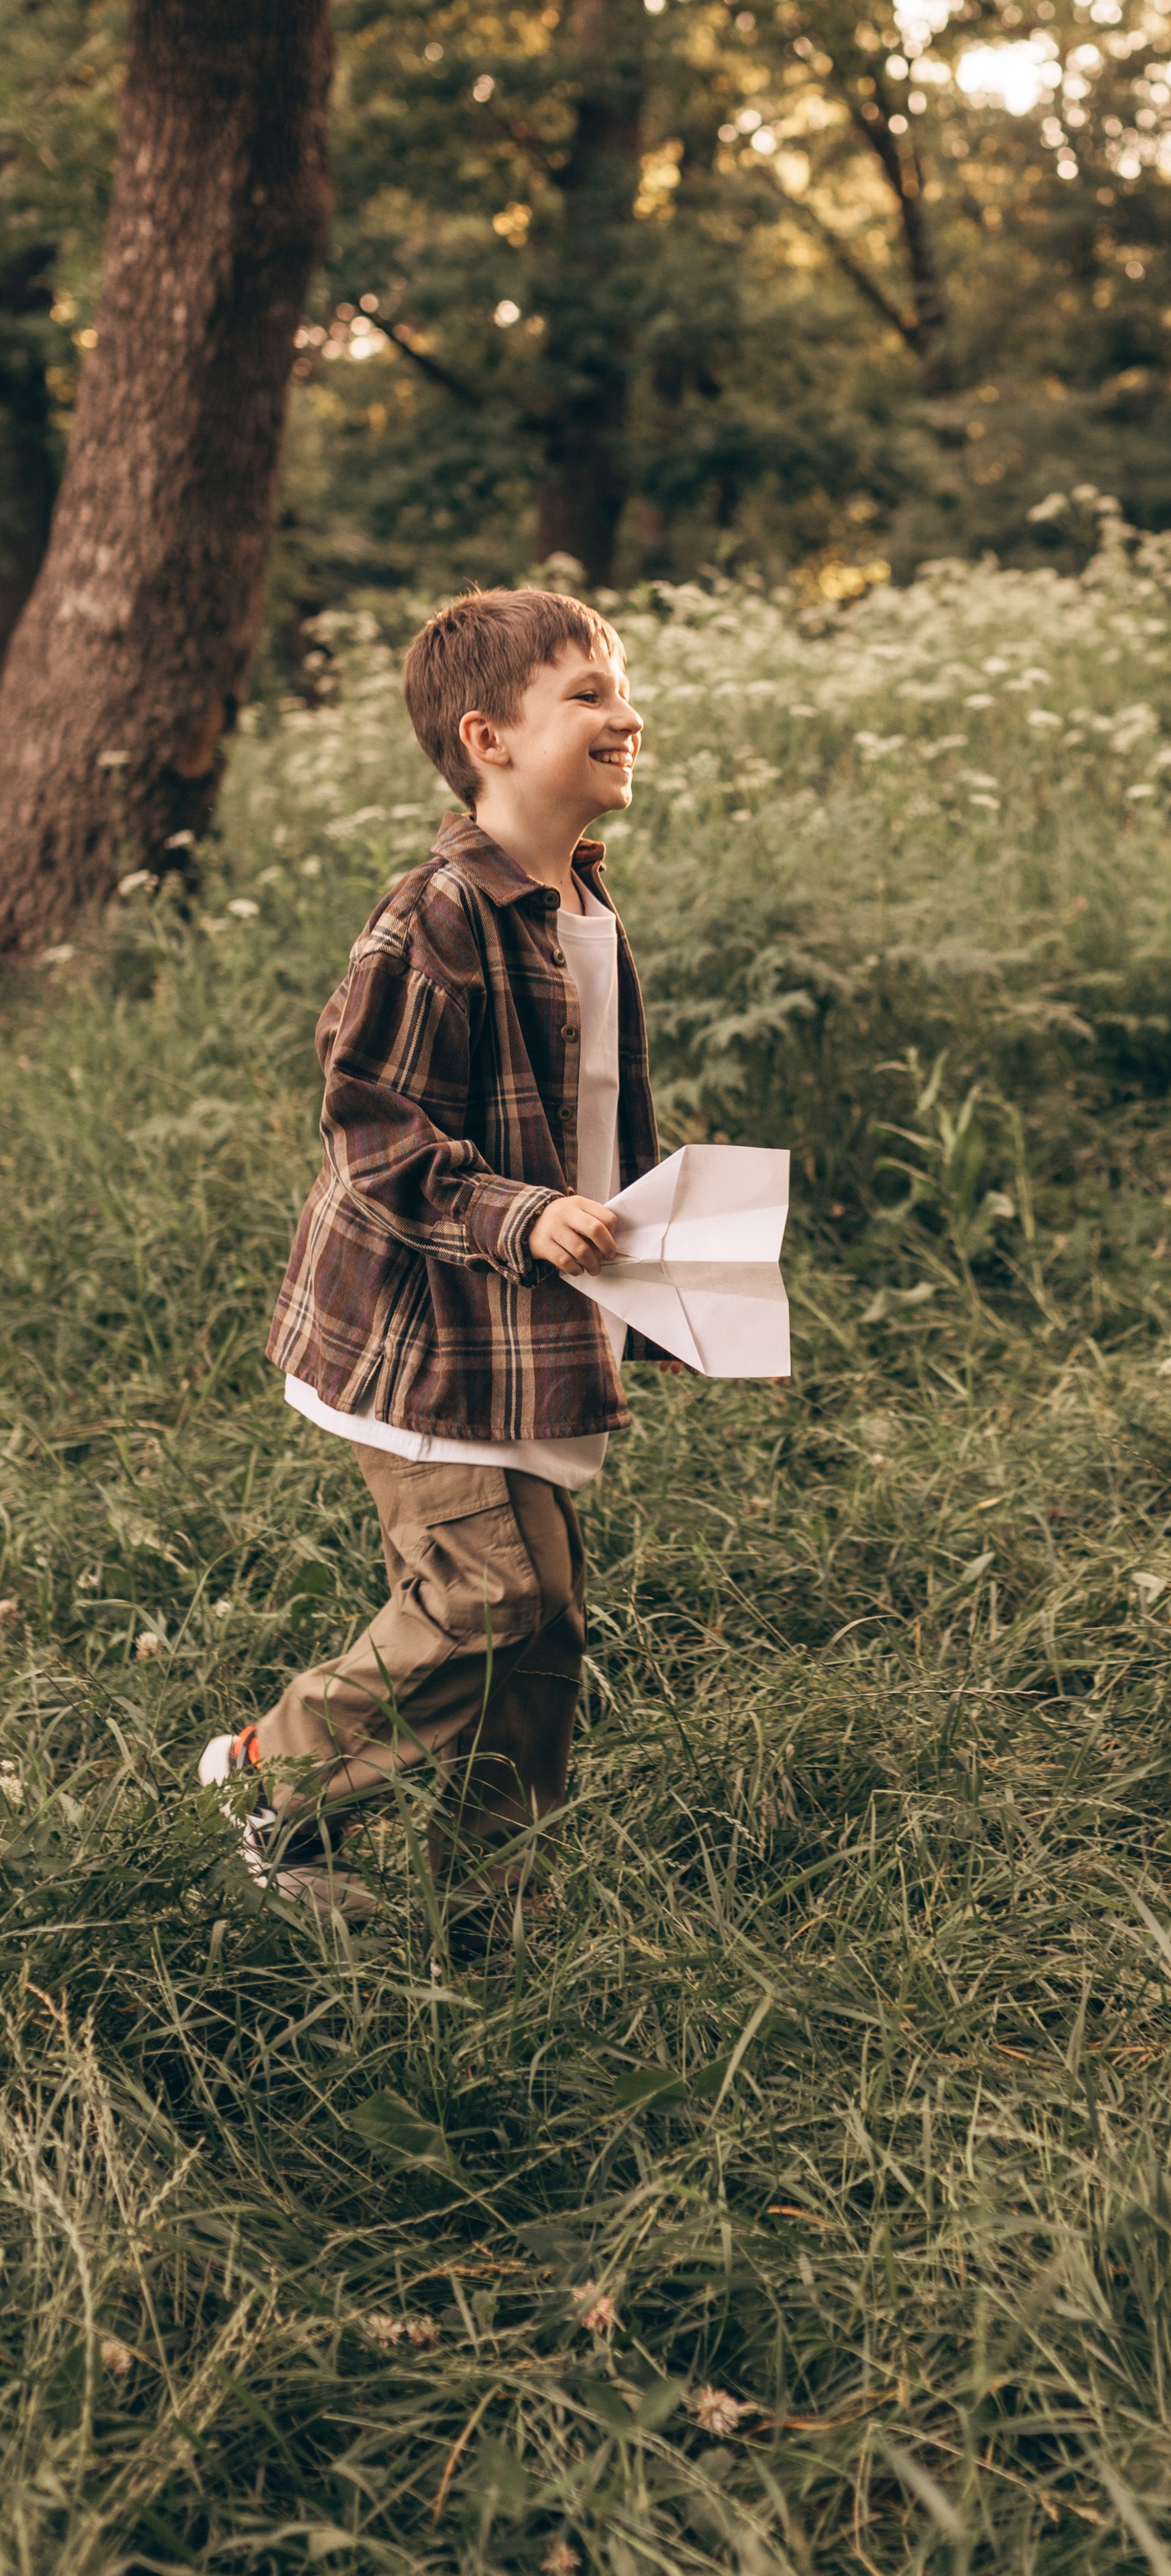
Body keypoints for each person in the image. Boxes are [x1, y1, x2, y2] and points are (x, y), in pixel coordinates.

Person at [196, 586, 659, 1929]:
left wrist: (658, 1257)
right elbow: (371, 1128)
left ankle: (493, 1895)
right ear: (487, 737)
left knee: (544, 1622)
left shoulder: (582, 904)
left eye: (625, 688)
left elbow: (584, 1122)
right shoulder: (439, 915)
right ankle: (264, 1778)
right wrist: (519, 1216)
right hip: (422, 1337)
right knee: (485, 1596)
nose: (627, 714)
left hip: (520, 1334)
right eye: (588, 693)